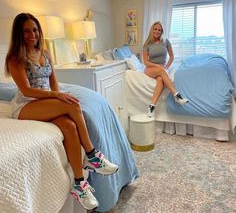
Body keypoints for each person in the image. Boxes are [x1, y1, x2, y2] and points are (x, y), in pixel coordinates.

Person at [5, 13, 119, 210]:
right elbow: (27, 90)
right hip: (25, 105)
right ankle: (92, 155)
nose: (32, 34)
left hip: (45, 101)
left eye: (34, 29)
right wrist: (58, 97)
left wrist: (57, 94)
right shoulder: (15, 58)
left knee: (69, 125)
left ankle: (79, 184)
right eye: (26, 31)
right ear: (19, 34)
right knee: (72, 105)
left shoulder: (46, 52)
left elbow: (53, 81)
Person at [143, 21, 189, 117]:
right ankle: (177, 95)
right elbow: (146, 62)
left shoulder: (166, 41)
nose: (157, 31)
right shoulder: (147, 44)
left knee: (160, 79)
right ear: (152, 30)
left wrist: (166, 67)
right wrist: (158, 67)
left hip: (162, 69)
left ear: (162, 31)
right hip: (150, 68)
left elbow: (172, 57)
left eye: (159, 30)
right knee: (161, 71)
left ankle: (151, 106)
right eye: (155, 29)